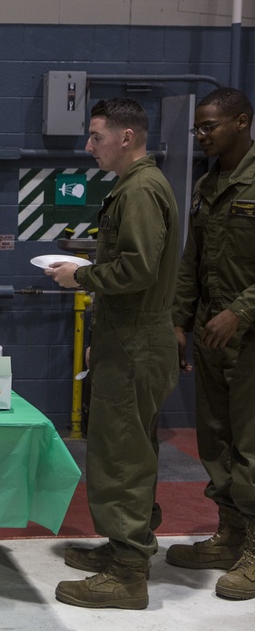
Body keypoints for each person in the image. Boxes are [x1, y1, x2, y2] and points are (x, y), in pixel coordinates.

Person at [46, 98, 179, 609]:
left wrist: (79, 275)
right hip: (133, 338)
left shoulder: (141, 189)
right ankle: (126, 550)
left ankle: (127, 575)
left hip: (135, 342)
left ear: (127, 137)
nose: (88, 146)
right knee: (129, 448)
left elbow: (139, 268)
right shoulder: (138, 185)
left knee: (121, 455)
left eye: (97, 136)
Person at [166, 87, 255, 600]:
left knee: (250, 447)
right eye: (198, 127)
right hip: (208, 335)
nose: (201, 135)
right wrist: (180, 320)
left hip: (249, 339)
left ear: (242, 122)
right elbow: (191, 258)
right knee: (216, 441)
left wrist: (238, 312)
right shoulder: (207, 183)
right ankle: (230, 534)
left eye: (209, 127)